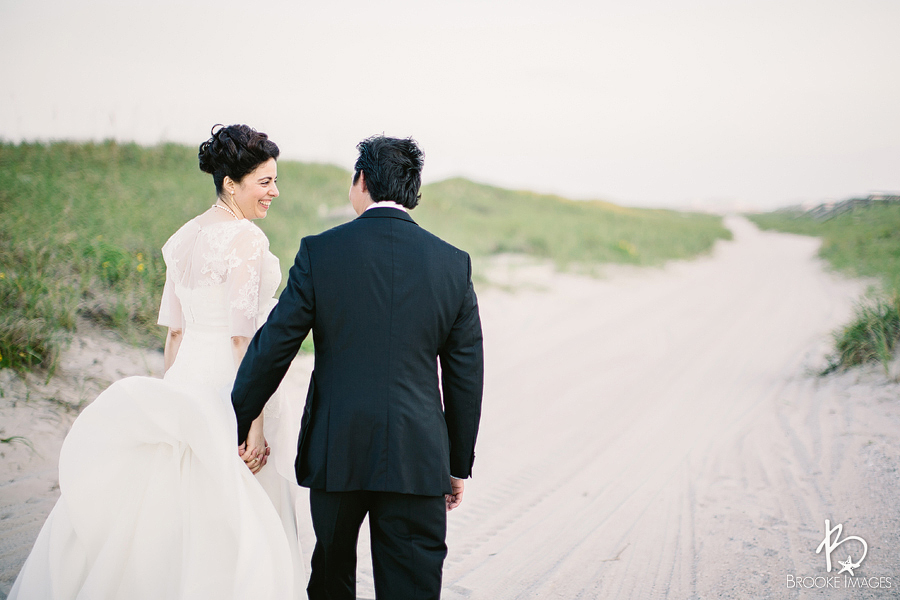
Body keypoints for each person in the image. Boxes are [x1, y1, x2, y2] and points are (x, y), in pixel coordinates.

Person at [10, 124, 307, 599]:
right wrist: (251, 421)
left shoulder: (184, 236)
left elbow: (174, 332)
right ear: (231, 183)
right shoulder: (246, 241)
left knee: (162, 500)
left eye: (275, 180)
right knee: (234, 506)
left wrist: (174, 393)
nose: (275, 191)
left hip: (186, 377)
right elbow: (240, 340)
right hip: (229, 384)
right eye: (265, 181)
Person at [232, 135, 484, 600]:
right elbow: (466, 374)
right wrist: (456, 463)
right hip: (417, 455)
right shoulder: (453, 264)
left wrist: (239, 416)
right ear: (413, 192)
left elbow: (275, 344)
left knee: (331, 581)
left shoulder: (319, 253)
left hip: (338, 452)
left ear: (361, 181)